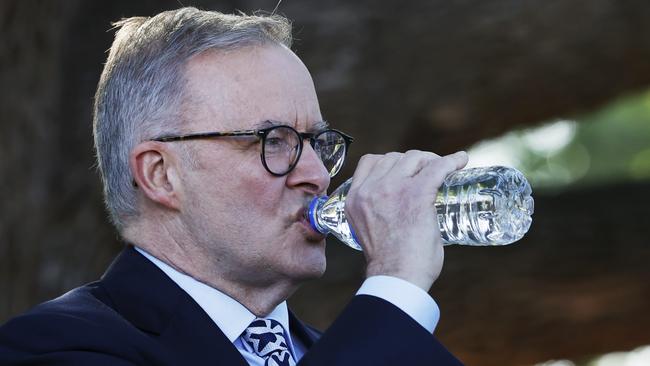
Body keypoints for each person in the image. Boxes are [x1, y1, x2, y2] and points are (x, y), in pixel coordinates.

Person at [0, 7, 467, 365]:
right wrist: (396, 280)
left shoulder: (356, 347)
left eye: (317, 143)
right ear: (162, 175)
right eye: (275, 141)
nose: (319, 175)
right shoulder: (53, 346)